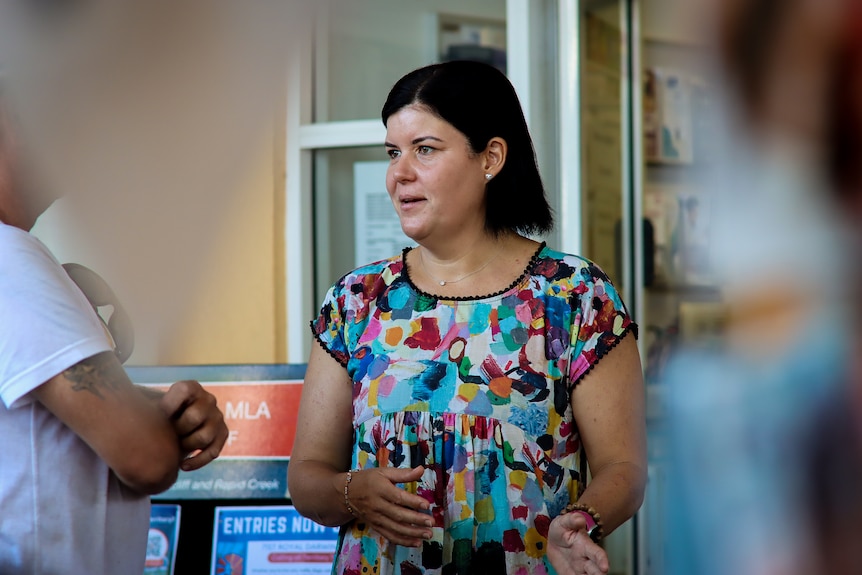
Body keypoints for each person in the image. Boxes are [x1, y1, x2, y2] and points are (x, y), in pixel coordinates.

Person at [288, 60, 647, 575]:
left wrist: (582, 519)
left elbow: (624, 467)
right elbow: (306, 478)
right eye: (393, 152)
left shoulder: (573, 295)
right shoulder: (358, 299)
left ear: (491, 158)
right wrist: (352, 493)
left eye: (425, 149)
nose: (399, 173)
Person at [0, 80, 229, 573]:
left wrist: (156, 406)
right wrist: (158, 425)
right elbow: (145, 459)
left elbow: (35, 422)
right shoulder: (12, 261)